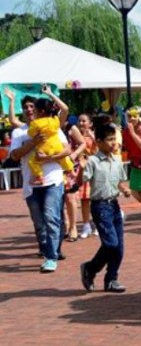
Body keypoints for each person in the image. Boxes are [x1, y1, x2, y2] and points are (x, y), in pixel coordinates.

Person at [9, 94, 71, 272]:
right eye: (27, 108)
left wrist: (50, 157)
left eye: (32, 107)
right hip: (31, 184)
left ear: (38, 111)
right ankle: (49, 250)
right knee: (39, 224)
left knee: (52, 218)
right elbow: (14, 155)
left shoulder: (53, 127)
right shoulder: (20, 133)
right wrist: (32, 143)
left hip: (53, 180)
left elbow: (67, 149)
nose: (30, 110)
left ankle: (51, 257)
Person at [79, 123, 131, 293]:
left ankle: (111, 279)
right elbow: (83, 180)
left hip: (114, 205)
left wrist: (124, 189)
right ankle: (90, 268)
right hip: (100, 206)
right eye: (109, 140)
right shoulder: (93, 161)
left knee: (119, 247)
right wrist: (80, 167)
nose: (113, 143)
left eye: (114, 139)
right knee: (111, 244)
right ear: (99, 142)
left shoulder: (117, 160)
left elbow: (119, 181)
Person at [26, 99, 74, 185]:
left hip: (44, 148)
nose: (34, 113)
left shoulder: (36, 123)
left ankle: (39, 177)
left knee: (32, 162)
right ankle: (70, 170)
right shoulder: (55, 119)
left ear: (41, 112)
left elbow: (30, 133)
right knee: (64, 158)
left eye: (35, 110)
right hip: (58, 147)